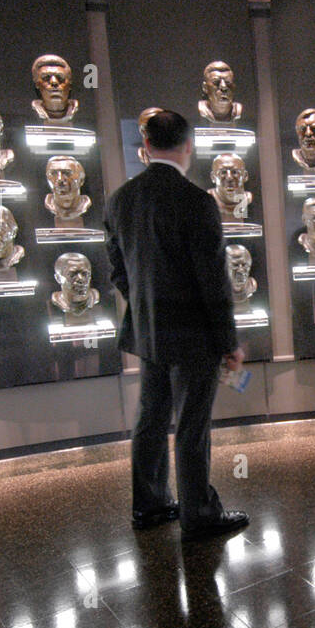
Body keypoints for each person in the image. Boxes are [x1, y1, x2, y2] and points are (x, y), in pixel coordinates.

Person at [103, 109, 249, 537]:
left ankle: (149, 505)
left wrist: (145, 304)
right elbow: (213, 281)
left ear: (146, 146)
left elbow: (118, 269)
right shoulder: (197, 202)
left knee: (150, 418)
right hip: (194, 337)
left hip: (149, 334)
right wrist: (228, 342)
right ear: (188, 147)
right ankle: (199, 515)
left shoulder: (120, 200)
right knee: (191, 426)